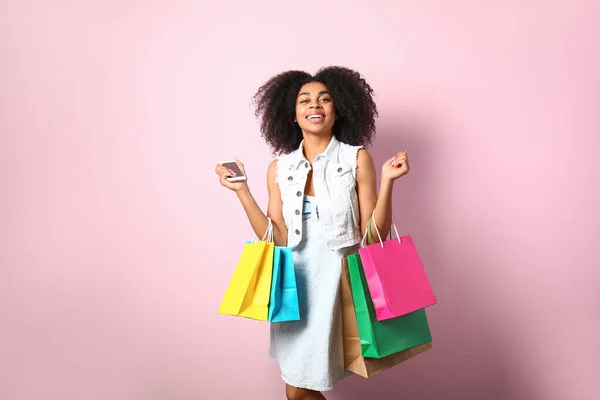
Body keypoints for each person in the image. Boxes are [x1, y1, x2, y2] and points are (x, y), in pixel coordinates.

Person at [215, 66, 410, 400]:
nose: (314, 106)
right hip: (294, 285)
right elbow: (276, 237)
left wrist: (389, 181)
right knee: (296, 388)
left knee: (297, 389)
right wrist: (242, 192)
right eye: (304, 100)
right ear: (292, 115)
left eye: (324, 99)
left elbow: (372, 235)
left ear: (338, 110)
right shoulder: (279, 169)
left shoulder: (356, 159)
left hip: (335, 282)